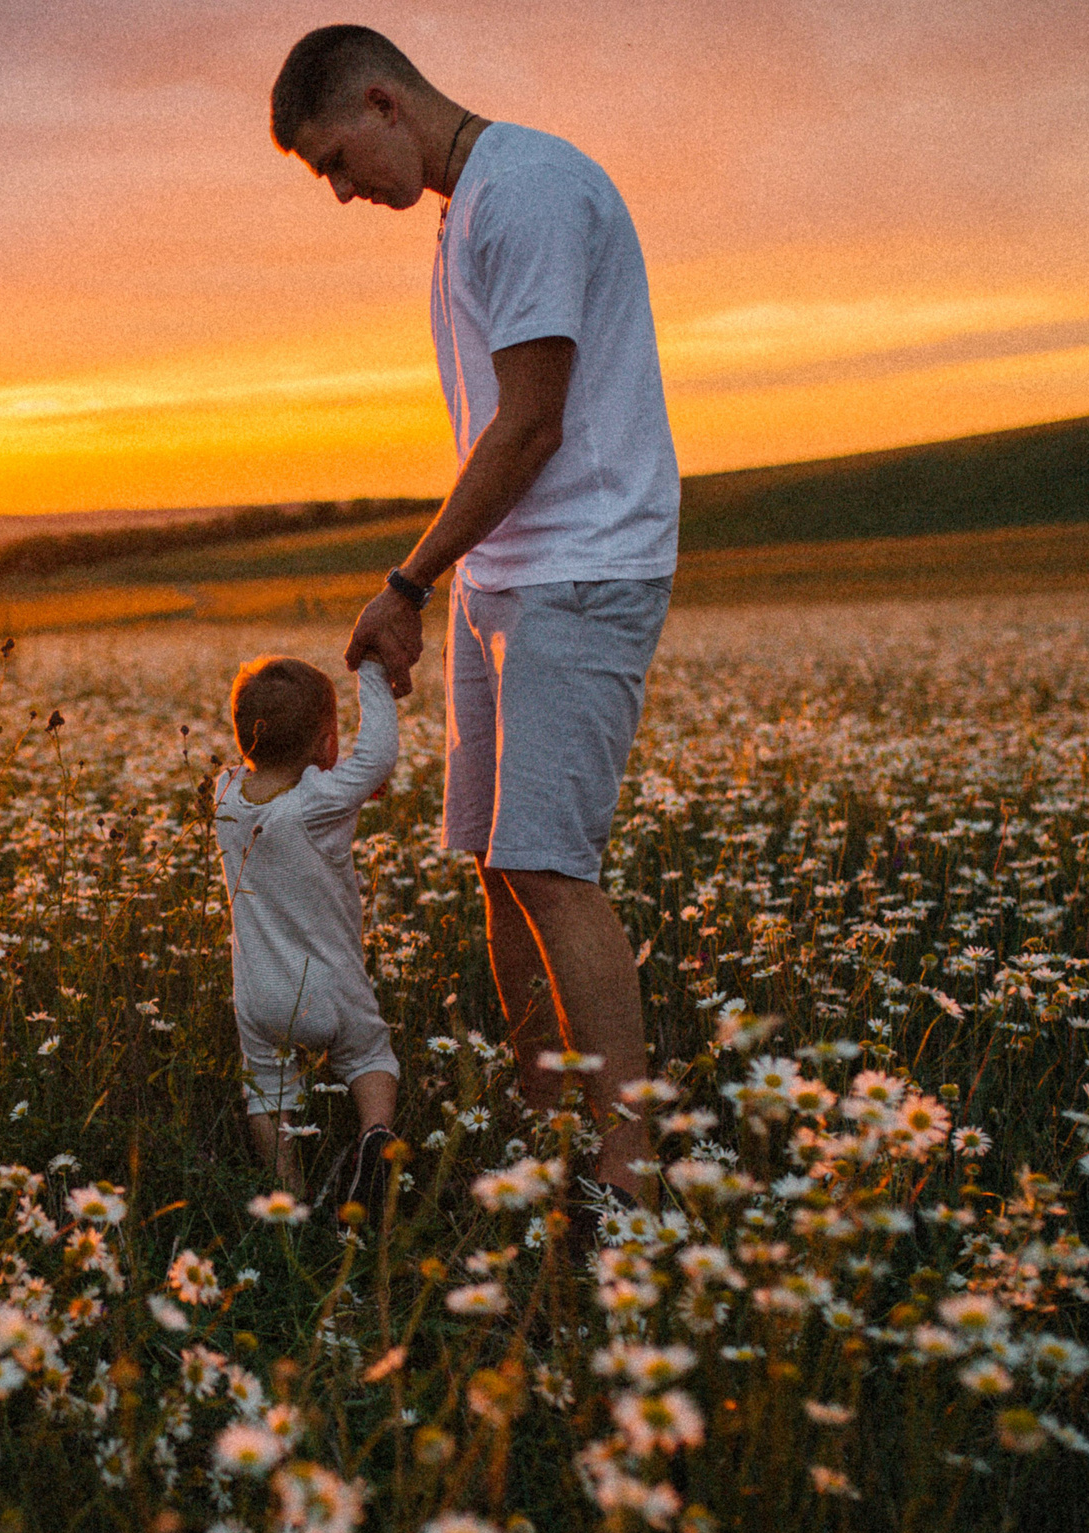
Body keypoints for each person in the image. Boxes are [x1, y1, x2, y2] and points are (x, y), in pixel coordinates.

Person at [270, 26, 679, 1214]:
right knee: (499, 871)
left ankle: (632, 1189)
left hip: (580, 567)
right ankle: (551, 1145)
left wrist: (406, 583)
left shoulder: (532, 189)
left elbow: (532, 422)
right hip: (507, 575)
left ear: (384, 101)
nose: (345, 192)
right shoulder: (470, 211)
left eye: (338, 160)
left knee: (552, 868)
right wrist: (449, 582)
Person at [212, 655, 400, 1204]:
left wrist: (341, 786)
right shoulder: (318, 802)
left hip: (260, 994)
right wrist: (372, 670)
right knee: (369, 1056)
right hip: (331, 987)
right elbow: (379, 752)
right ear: (324, 743)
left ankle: (287, 1201)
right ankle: (374, 1136)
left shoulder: (224, 795)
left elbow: (269, 778)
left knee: (268, 1092)